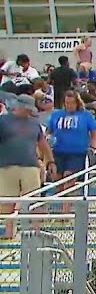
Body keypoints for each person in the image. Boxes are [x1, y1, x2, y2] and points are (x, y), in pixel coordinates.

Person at [0, 93, 53, 239]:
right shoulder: (3, 121)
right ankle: (9, 232)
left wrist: (50, 161)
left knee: (33, 200)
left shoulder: (33, 123)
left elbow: (43, 143)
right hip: (6, 165)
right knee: (7, 201)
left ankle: (36, 231)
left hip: (30, 165)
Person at [47, 90, 96, 185]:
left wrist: (92, 147)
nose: (69, 105)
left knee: (69, 177)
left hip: (77, 153)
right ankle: (60, 199)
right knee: (57, 180)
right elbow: (49, 131)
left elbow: (94, 132)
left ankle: (67, 199)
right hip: (58, 151)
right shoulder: (56, 115)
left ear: (77, 103)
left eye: (72, 103)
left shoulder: (85, 115)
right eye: (67, 103)